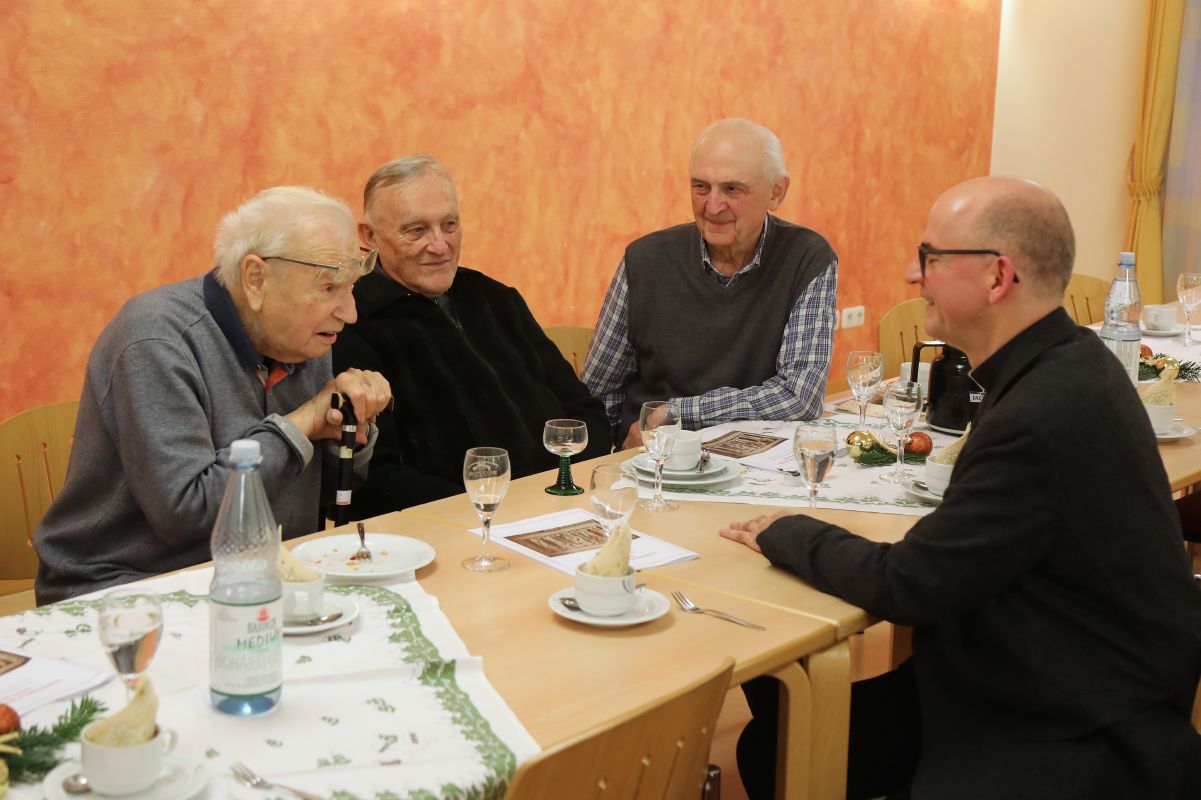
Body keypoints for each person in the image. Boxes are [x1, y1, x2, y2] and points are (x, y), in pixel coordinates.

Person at [721, 176, 1201, 799]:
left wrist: (787, 529)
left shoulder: (1039, 412)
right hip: (1069, 670)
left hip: (1067, 729)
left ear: (997, 278)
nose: (910, 276)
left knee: (774, 745)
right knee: (776, 731)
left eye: (929, 259)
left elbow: (912, 584)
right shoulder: (1074, 361)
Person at [35, 187, 392, 604]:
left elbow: (320, 499)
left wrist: (348, 432)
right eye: (329, 288)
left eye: (350, 288)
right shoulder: (154, 339)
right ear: (256, 279)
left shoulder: (304, 337)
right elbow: (187, 515)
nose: (349, 313)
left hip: (257, 580)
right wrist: (303, 422)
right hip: (129, 588)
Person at [332, 155, 610, 516]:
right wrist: (492, 509)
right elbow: (375, 480)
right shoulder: (354, 323)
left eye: (449, 224)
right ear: (369, 236)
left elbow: (584, 415)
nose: (440, 245)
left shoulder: (496, 299)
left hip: (563, 506)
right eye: (416, 230)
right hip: (456, 532)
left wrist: (562, 488)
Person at [582, 118, 838, 449]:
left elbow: (799, 397)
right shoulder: (645, 260)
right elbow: (598, 392)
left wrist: (675, 413)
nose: (713, 206)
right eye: (701, 186)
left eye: (733, 189)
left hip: (757, 463)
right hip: (655, 463)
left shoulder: (807, 258)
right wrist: (611, 463)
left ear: (776, 192)